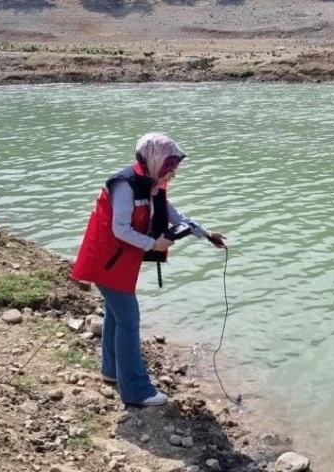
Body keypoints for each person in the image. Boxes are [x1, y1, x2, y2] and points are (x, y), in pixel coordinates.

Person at [71, 132, 227, 407]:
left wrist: (206, 234)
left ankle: (111, 371)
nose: (173, 175)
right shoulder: (126, 185)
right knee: (128, 320)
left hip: (116, 263)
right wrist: (153, 243)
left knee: (116, 316)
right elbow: (120, 229)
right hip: (107, 263)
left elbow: (174, 216)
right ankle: (136, 391)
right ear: (154, 161)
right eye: (170, 168)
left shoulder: (150, 186)